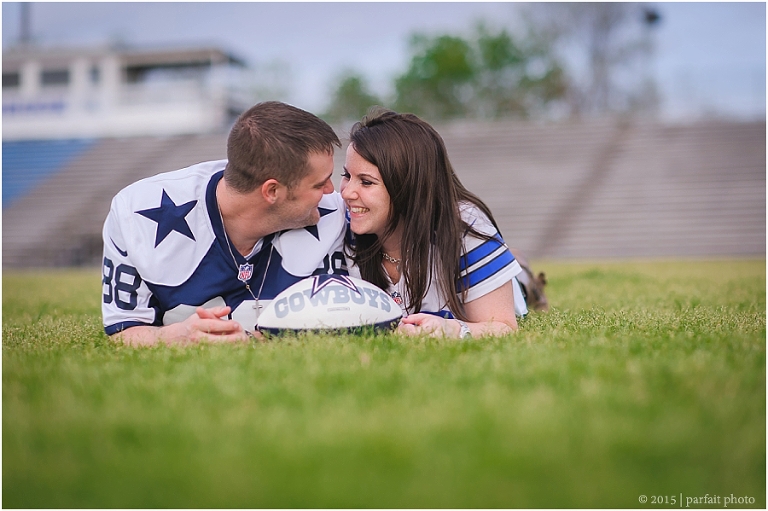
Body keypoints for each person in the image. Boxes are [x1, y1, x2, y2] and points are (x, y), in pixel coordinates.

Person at [102, 101, 348, 346]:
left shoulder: (336, 213)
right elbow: (124, 329)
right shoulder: (137, 214)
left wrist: (260, 339)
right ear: (272, 190)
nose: (332, 191)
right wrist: (174, 336)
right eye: (319, 184)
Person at [340, 107, 528, 339]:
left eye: (366, 182)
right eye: (346, 175)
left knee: (520, 285)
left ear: (406, 185)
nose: (347, 192)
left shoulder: (464, 226)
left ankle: (523, 272)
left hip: (494, 282)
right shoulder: (343, 224)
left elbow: (504, 327)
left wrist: (452, 330)